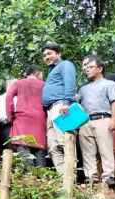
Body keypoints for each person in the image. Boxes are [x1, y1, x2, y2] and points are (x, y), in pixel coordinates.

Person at [78, 55, 115, 188]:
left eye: (90, 67)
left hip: (103, 119)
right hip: (85, 122)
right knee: (87, 152)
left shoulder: (110, 84)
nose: (86, 69)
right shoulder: (83, 88)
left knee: (105, 149)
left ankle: (108, 177)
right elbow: (77, 106)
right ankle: (91, 178)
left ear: (100, 68)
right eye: (85, 67)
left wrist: (114, 118)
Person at [41, 44, 76, 175]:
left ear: (58, 53)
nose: (47, 57)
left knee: (65, 141)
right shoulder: (51, 72)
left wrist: (66, 103)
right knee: (53, 146)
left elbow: (70, 83)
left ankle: (72, 177)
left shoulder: (65, 64)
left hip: (61, 106)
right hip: (50, 111)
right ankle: (64, 177)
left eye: (49, 53)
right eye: (44, 56)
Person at [6, 65, 47, 168]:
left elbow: (8, 98)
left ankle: (28, 177)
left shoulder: (18, 83)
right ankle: (42, 178)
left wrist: (10, 116)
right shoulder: (44, 85)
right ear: (37, 73)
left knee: (24, 150)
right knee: (39, 150)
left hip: (22, 122)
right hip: (40, 122)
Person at [0, 78, 17, 154]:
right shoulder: (0, 99)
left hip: (18, 125)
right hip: (5, 125)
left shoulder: (18, 98)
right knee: (9, 149)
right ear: (9, 85)